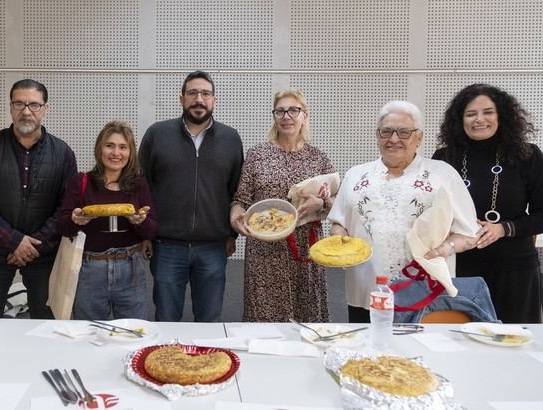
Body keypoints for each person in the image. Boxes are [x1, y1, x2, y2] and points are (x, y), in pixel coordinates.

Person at [327, 101, 479, 323]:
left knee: (423, 353)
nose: (394, 139)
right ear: (377, 136)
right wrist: (338, 238)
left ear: (419, 138)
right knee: (369, 353)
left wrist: (446, 248)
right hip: (367, 290)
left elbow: (469, 234)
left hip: (425, 289)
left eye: (404, 132)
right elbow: (340, 222)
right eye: (386, 131)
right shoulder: (355, 175)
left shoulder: (443, 175)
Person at [0, 79, 77, 319]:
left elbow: (66, 206)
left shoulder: (63, 153)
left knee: (46, 326)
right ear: (10, 106)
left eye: (34, 105)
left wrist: (34, 243)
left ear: (46, 108)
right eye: (19, 104)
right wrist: (14, 241)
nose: (26, 111)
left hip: (43, 255)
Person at [139, 70, 244, 322]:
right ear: (181, 98)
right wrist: (145, 234)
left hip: (213, 247)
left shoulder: (230, 139)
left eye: (206, 94)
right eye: (193, 93)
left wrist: (232, 235)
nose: (199, 99)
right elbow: (142, 187)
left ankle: (206, 362)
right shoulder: (157, 134)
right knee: (166, 319)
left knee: (208, 320)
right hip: (167, 246)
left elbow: (237, 191)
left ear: (214, 100)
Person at [433, 84, 543, 323]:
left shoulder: (528, 156)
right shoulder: (444, 158)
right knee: (459, 344)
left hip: (515, 268)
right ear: (460, 120)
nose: (479, 119)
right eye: (471, 114)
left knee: (515, 345)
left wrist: (503, 228)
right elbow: (432, 214)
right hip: (459, 266)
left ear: (501, 115)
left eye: (488, 112)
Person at [230, 90, 334, 322]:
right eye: (280, 111)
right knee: (264, 321)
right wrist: (235, 215)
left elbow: (338, 204)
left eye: (294, 110)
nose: (287, 116)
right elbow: (241, 199)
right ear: (275, 116)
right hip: (265, 252)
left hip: (306, 249)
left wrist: (322, 202)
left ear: (304, 116)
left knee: (307, 320)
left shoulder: (319, 158)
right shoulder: (257, 155)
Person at [58, 121, 158, 320]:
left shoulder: (138, 185)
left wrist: (139, 221)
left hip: (131, 268)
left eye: (123, 147)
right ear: (100, 149)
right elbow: (62, 226)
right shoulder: (82, 182)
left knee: (132, 333)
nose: (116, 153)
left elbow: (152, 230)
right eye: (109, 145)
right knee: (90, 333)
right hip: (90, 268)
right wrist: (75, 220)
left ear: (130, 153)